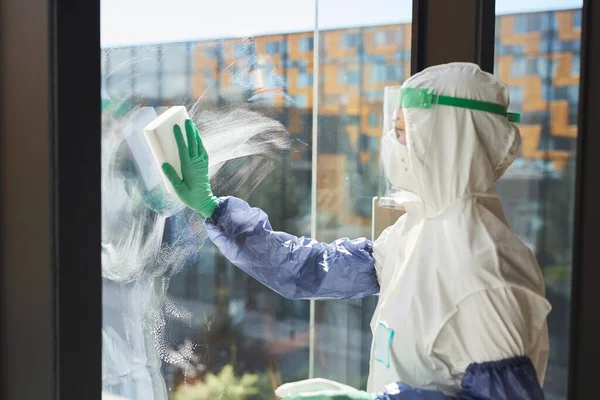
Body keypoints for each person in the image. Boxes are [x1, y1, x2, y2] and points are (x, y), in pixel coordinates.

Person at [161, 62, 551, 399]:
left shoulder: (489, 271)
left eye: (403, 131)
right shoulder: (413, 232)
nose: (390, 144)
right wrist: (212, 208)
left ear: (449, 140)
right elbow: (309, 270)